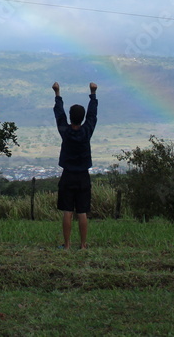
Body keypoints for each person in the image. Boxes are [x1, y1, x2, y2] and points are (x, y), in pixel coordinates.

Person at [52, 80, 98, 249]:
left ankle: (67, 244)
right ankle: (84, 244)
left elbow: (59, 115)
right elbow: (92, 115)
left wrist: (57, 94)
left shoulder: (65, 131)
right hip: (83, 175)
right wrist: (93, 94)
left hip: (68, 175)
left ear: (71, 117)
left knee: (67, 211)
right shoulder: (87, 131)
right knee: (82, 211)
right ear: (82, 117)